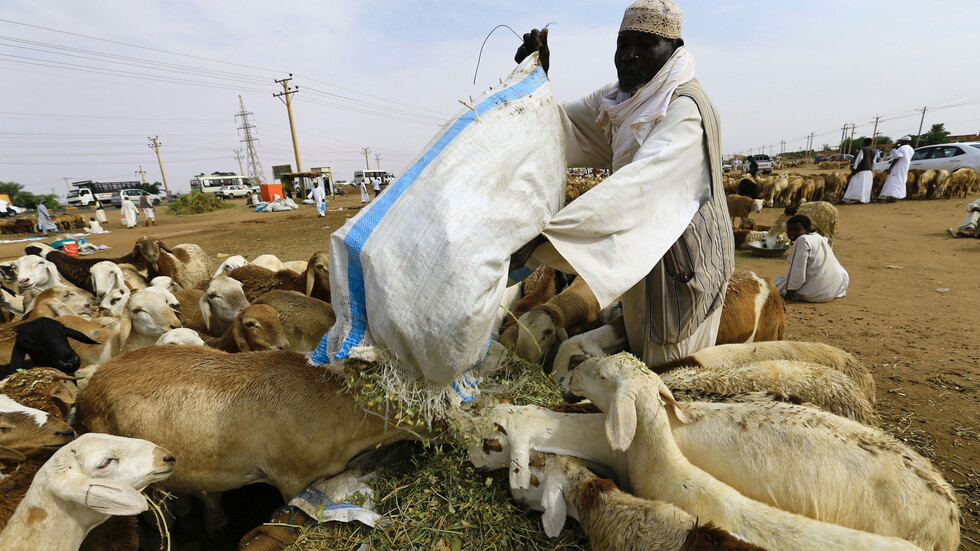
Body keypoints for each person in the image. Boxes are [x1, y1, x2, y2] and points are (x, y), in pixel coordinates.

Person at [511, 0, 734, 366]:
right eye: (623, 44)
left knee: (671, 375)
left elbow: (634, 191)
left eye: (645, 45)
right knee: (637, 355)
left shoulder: (684, 109)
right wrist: (535, 84)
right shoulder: (620, 100)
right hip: (641, 264)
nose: (629, 56)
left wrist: (544, 236)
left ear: (674, 48)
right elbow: (558, 129)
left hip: (681, 272)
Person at [774, 215, 849, 303]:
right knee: (783, 279)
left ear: (807, 229)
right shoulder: (818, 236)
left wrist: (788, 297)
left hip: (817, 294)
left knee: (775, 283)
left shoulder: (802, 240)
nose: (792, 233)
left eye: (797, 230)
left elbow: (797, 273)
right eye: (789, 230)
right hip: (837, 287)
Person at [878, 136, 914, 202]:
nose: (901, 142)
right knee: (900, 181)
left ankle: (884, 197)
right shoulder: (911, 149)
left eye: (902, 141)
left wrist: (890, 168)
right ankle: (894, 197)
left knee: (892, 181)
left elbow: (896, 158)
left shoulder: (902, 148)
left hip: (898, 167)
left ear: (905, 141)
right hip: (904, 168)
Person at [841, 138, 875, 203]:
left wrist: (854, 168)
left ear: (865, 142)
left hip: (861, 170)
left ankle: (845, 199)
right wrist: (872, 169)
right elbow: (874, 162)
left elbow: (859, 159)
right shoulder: (873, 151)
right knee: (865, 186)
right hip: (869, 171)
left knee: (854, 184)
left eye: (863, 142)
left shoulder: (863, 149)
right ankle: (863, 200)